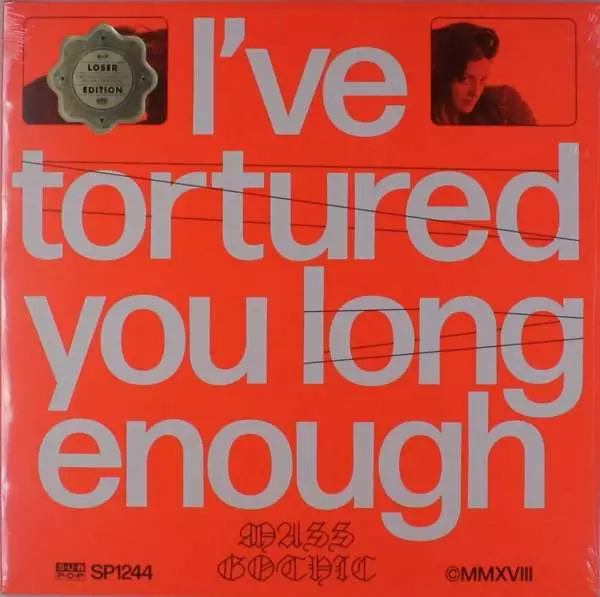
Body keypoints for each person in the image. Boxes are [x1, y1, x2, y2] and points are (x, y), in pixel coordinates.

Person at [431, 22, 536, 125]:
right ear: (443, 76)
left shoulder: (504, 104)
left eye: (482, 80)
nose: (475, 92)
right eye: (465, 79)